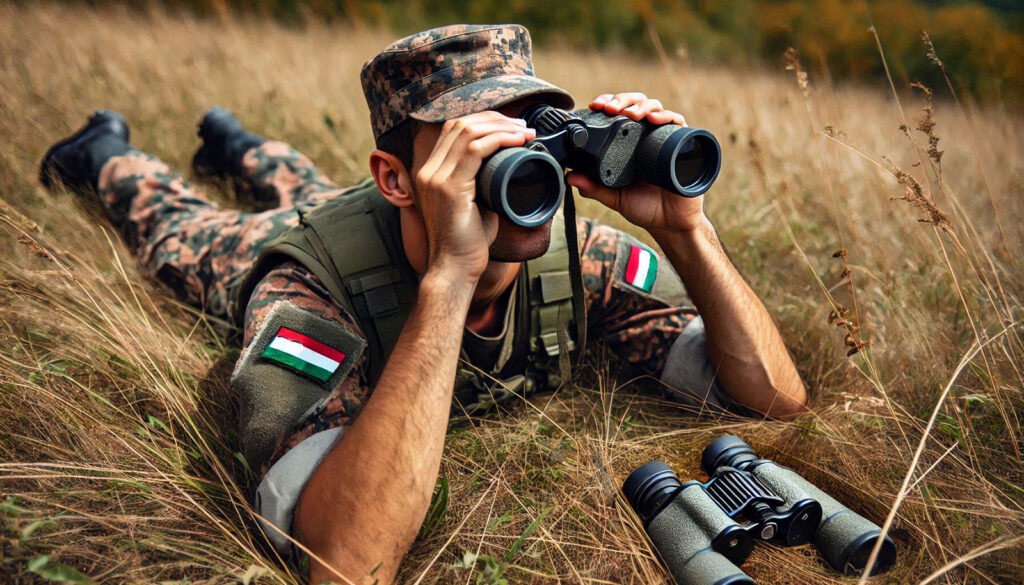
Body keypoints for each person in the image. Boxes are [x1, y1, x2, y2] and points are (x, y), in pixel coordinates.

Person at [39, 24, 807, 585]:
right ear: (399, 177)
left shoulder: (584, 253)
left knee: (297, 176)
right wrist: (451, 275)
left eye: (531, 141)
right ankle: (105, 147)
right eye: (480, 150)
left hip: (386, 216)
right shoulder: (305, 284)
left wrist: (687, 229)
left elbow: (773, 397)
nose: (523, 175)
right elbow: (346, 561)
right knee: (178, 227)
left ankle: (236, 142)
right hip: (321, 236)